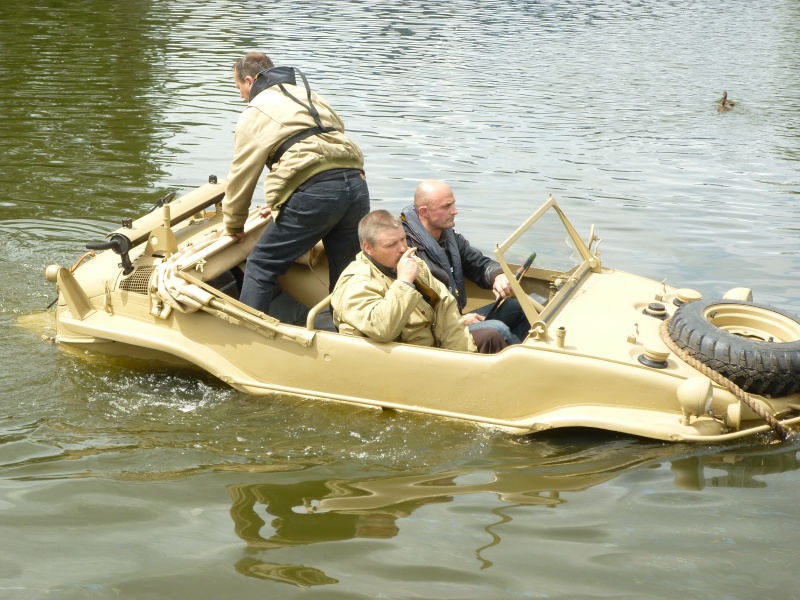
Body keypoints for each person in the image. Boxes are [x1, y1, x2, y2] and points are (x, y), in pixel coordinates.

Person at [221, 51, 369, 325]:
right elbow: (327, 145)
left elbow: (242, 176)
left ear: (250, 81)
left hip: (316, 194)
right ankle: (348, 332)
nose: (241, 96)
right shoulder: (310, 96)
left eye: (239, 88)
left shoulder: (254, 112)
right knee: (345, 269)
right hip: (357, 185)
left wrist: (234, 225)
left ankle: (247, 336)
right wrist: (285, 196)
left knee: (261, 264)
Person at [331, 210, 507, 353]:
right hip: (403, 361)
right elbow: (382, 329)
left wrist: (463, 355)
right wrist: (405, 283)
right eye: (391, 245)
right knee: (497, 331)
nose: (402, 249)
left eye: (403, 239)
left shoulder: (414, 264)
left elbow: (445, 306)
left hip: (432, 348)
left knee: (492, 337)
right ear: (368, 248)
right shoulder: (356, 282)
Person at [401, 180, 530, 344]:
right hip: (433, 331)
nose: (454, 211)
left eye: (453, 204)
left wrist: (498, 276)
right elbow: (414, 312)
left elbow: (478, 263)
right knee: (497, 330)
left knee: (518, 308)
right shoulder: (405, 248)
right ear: (424, 212)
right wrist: (458, 321)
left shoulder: (449, 236)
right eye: (446, 207)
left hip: (455, 317)